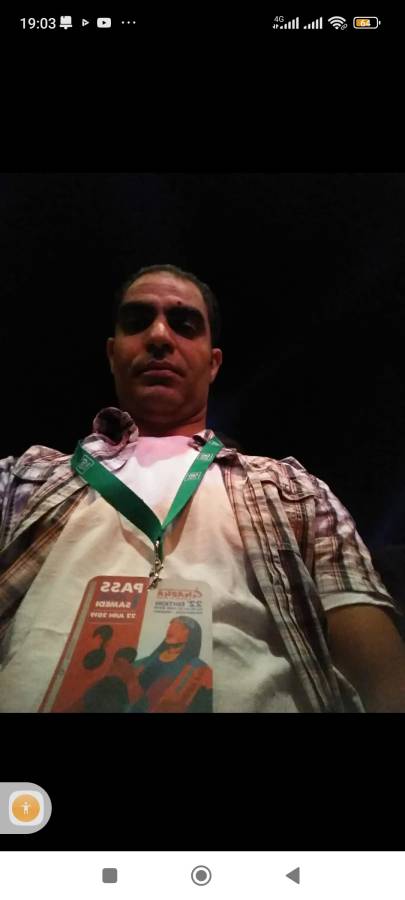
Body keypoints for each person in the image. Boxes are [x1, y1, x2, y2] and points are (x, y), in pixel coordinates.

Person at [1, 262, 405, 713]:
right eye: (138, 321)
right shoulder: (24, 477)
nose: (159, 336)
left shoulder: (294, 489)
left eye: (184, 324)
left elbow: (378, 675)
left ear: (213, 364)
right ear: (113, 354)